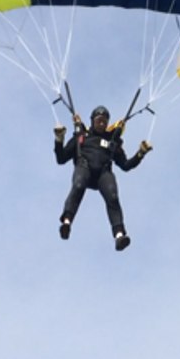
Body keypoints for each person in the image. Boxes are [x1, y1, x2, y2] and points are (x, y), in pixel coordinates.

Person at [54, 105, 152, 251]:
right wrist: (59, 139)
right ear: (93, 121)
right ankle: (66, 223)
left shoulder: (112, 142)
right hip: (84, 167)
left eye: (104, 121)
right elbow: (61, 158)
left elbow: (125, 165)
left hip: (103, 173)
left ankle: (119, 236)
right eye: (99, 120)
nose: (102, 123)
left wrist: (141, 153)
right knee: (79, 185)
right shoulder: (81, 136)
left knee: (112, 195)